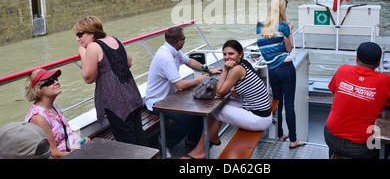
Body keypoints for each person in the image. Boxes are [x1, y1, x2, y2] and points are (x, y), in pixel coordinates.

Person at [183, 40, 272, 159]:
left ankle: (200, 151)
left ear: (240, 54)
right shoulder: (244, 63)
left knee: (215, 110)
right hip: (259, 111)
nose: (227, 57)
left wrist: (225, 70)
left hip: (259, 118)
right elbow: (241, 83)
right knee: (217, 107)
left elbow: (219, 92)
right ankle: (213, 137)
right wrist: (233, 88)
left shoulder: (236, 69)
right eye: (225, 54)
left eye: (231, 54)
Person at [324, 41, 390, 159]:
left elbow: (335, 92)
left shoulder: (342, 70)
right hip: (360, 148)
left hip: (331, 137)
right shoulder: (385, 80)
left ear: (356, 58)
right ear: (378, 63)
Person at [144, 27, 222, 155]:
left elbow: (189, 61)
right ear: (180, 42)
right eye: (184, 39)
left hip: (171, 97)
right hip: (158, 102)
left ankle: (192, 140)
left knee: (198, 112)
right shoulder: (166, 58)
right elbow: (180, 85)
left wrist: (207, 69)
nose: (185, 41)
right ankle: (165, 142)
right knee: (187, 120)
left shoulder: (173, 50)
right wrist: (198, 80)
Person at [74, 16, 147, 146]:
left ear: (91, 32)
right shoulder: (114, 40)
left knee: (127, 145)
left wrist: (83, 54)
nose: (77, 39)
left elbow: (88, 78)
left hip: (116, 102)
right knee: (138, 135)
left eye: (80, 34)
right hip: (132, 95)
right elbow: (129, 62)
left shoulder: (93, 47)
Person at [256, 0, 305, 148]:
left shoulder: (259, 25)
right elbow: (288, 49)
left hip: (271, 69)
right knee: (289, 104)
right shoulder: (283, 26)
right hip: (285, 67)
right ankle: (294, 140)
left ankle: (279, 135)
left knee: (277, 102)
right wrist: (289, 31)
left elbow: (266, 47)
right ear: (283, 9)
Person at [23, 69, 88, 158]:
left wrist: (80, 140)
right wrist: (82, 155)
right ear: (39, 89)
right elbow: (53, 154)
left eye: (56, 78)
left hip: (72, 150)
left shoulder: (52, 106)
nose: (56, 82)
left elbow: (66, 130)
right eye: (50, 81)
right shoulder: (38, 118)